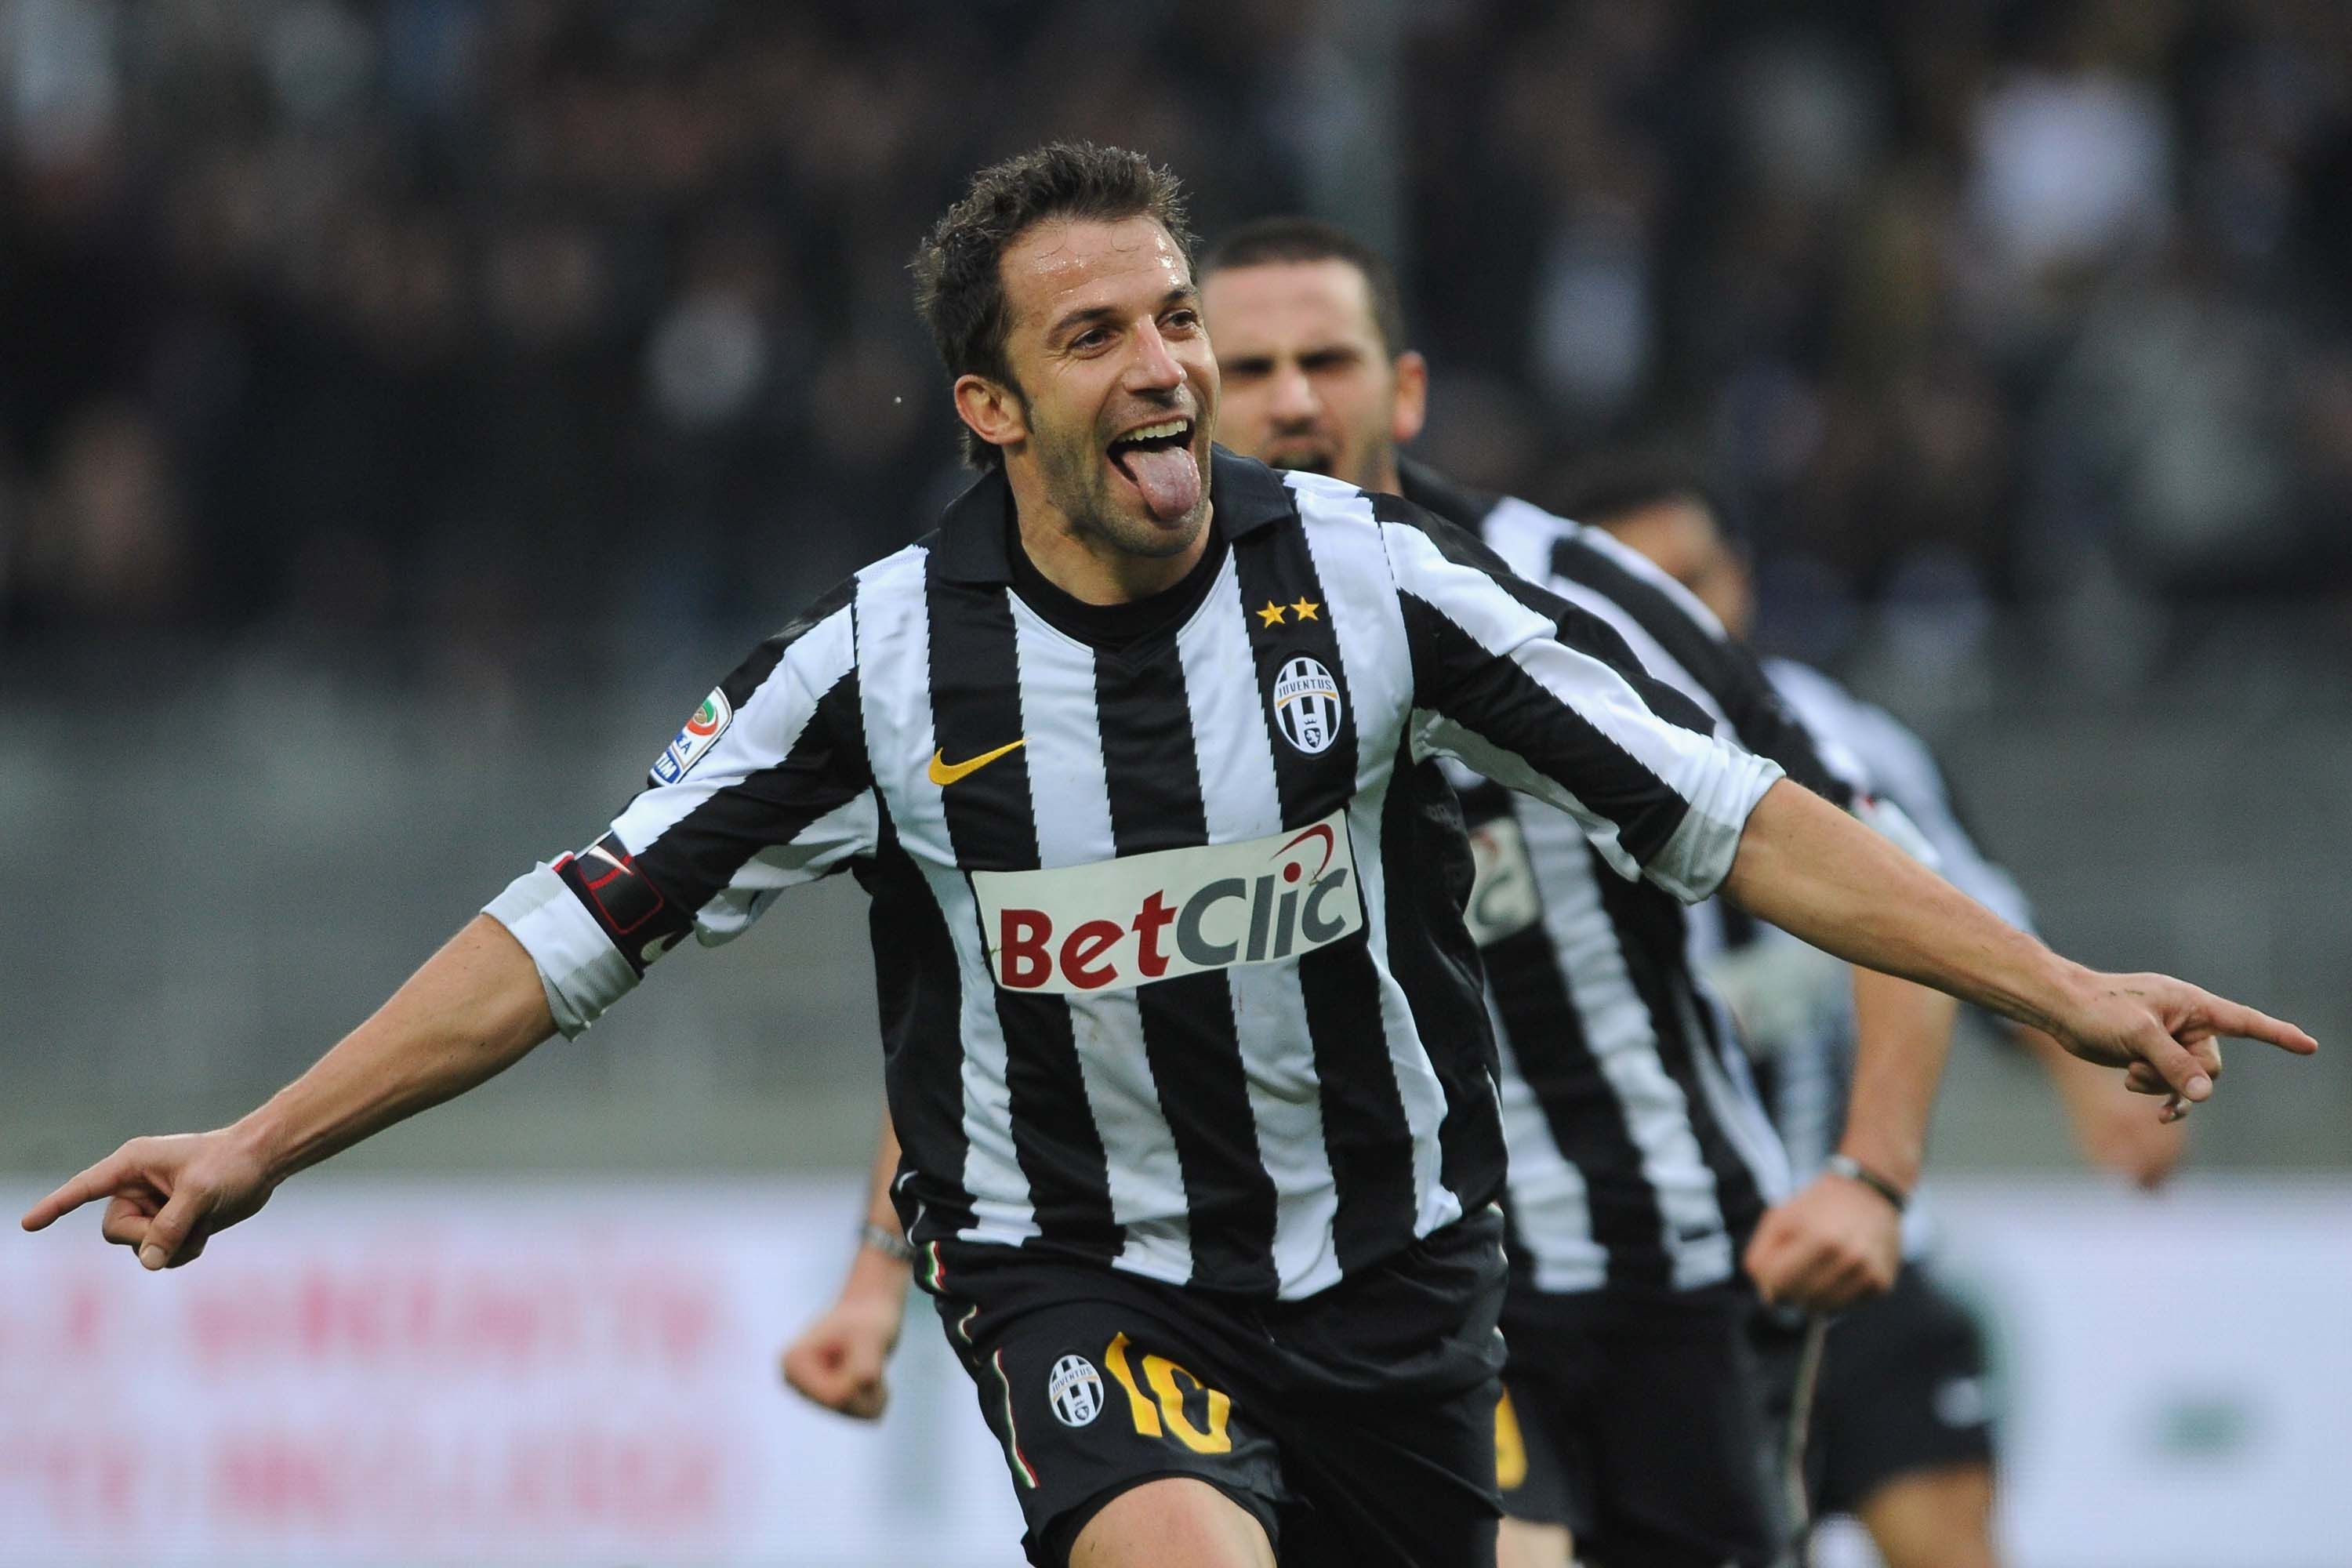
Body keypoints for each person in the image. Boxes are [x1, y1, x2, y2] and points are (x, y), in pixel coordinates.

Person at [20, 145, 2310, 1568]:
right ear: (992, 406)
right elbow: (567, 932)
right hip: (1084, 1277)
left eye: (1179, 322)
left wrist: (2064, 987)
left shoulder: (1380, 588)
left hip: (1408, 1279)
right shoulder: (877, 669)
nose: (1170, 368)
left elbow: (1741, 822)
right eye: (1097, 332)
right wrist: (263, 1141)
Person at [1196, 216, 1950, 1568]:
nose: (1293, 398)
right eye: (1248, 369)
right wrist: (878, 1260)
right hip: (1396, 1288)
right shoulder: (1126, 666)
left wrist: (1871, 1177)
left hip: (1677, 1276)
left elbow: (1881, 862)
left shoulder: (1576, 592)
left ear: (1404, 388)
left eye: (1327, 358)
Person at [1578, 459, 2183, 1568]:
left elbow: (1977, 923)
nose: (1679, 617)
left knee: (1951, 1541)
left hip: (1867, 1247)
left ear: (1743, 580)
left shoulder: (1845, 740)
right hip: (1671, 1287)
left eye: (1695, 579)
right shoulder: (1537, 768)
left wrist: (2085, 1078)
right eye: (1638, 594)